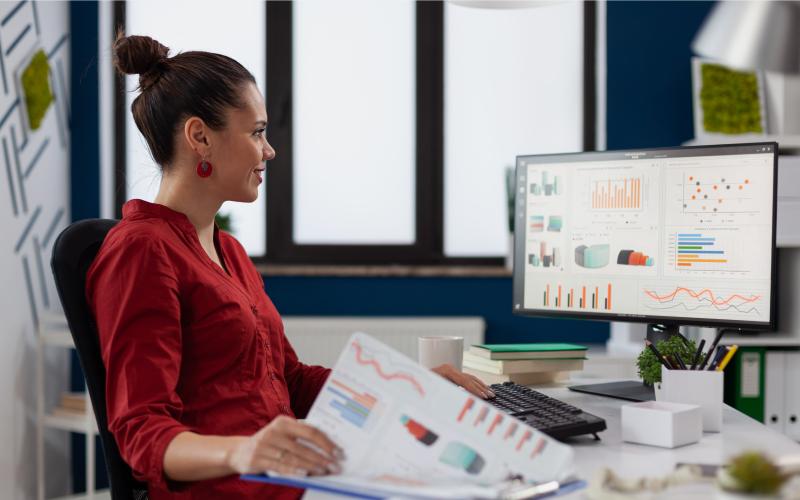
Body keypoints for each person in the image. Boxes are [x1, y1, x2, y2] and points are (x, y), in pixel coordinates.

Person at [85, 33, 494, 500]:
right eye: (257, 132)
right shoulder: (140, 251)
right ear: (200, 137)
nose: (269, 150)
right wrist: (243, 452)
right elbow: (141, 431)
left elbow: (291, 381)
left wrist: (409, 387)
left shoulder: (229, 251)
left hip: (290, 483)